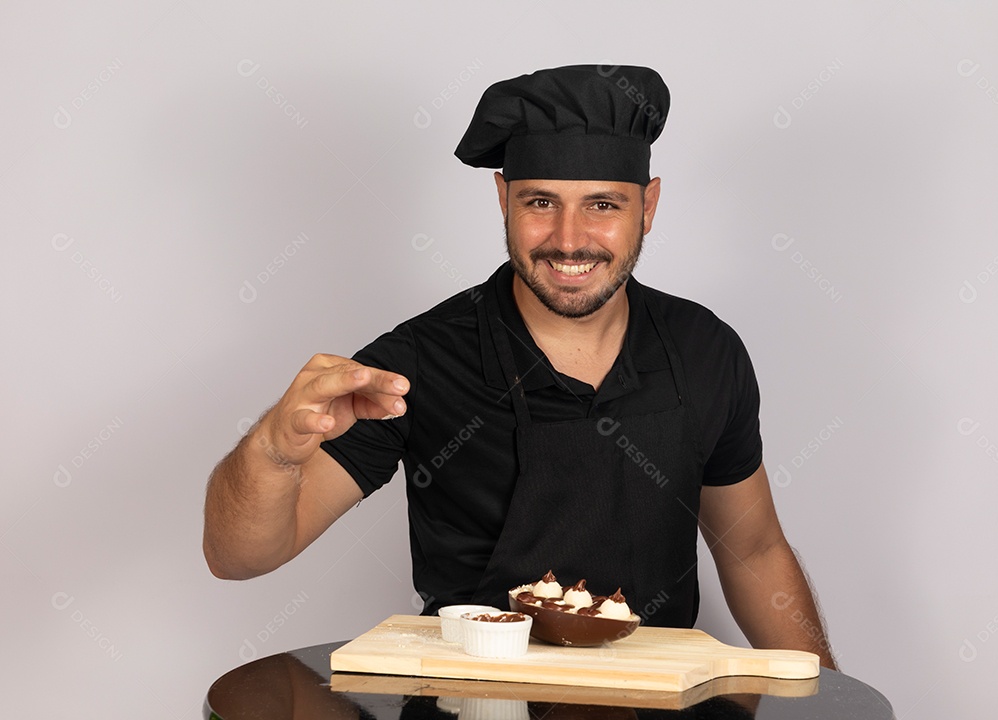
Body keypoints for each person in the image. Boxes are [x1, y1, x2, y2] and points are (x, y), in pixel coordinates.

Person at [203, 64, 837, 669]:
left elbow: (752, 549)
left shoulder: (705, 349)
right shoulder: (419, 362)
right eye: (540, 202)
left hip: (659, 699)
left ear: (648, 206)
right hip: (479, 701)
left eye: (602, 205)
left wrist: (831, 696)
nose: (567, 238)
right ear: (503, 198)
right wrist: (273, 452)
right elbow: (237, 557)